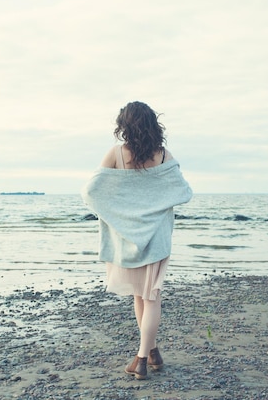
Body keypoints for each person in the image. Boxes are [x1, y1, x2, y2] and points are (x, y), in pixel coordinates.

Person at [82, 101, 192, 380]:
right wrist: (153, 203)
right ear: (153, 124)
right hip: (156, 237)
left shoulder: (117, 154)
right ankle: (152, 352)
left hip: (127, 238)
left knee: (142, 296)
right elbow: (183, 191)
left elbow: (91, 192)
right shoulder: (165, 156)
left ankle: (141, 359)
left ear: (125, 126)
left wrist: (122, 213)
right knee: (149, 295)